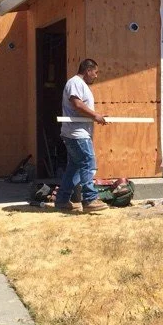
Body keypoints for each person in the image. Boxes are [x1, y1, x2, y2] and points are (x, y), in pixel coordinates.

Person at [55, 58, 109, 214]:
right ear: (88, 70)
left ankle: (62, 200)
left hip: (75, 132)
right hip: (77, 133)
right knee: (88, 163)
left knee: (74, 167)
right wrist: (95, 116)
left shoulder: (80, 84)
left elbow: (81, 107)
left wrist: (95, 115)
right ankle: (90, 199)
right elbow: (77, 104)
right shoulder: (75, 83)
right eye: (95, 72)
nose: (96, 76)